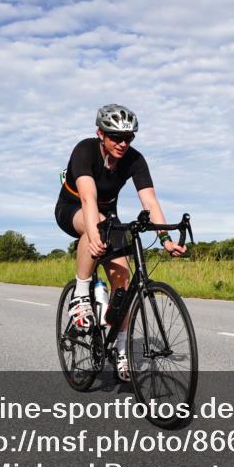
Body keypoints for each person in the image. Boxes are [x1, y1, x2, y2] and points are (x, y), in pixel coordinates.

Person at [54, 104, 186, 382]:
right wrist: (93, 235)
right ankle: (80, 294)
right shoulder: (85, 150)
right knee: (97, 225)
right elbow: (88, 198)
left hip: (107, 214)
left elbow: (149, 201)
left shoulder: (135, 159)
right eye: (116, 137)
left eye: (129, 138)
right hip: (72, 208)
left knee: (123, 280)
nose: (123, 143)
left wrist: (165, 239)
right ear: (100, 133)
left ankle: (122, 349)